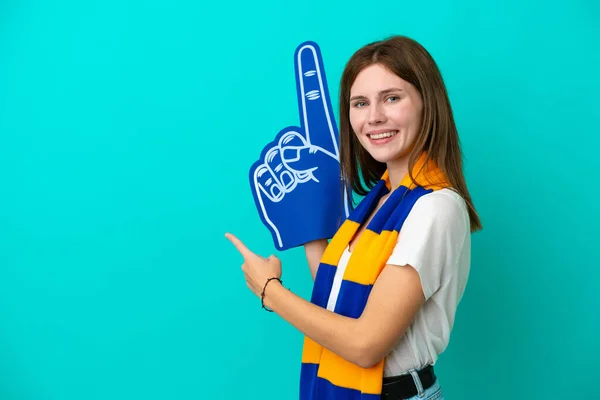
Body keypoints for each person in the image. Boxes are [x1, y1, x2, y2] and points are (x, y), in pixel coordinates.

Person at [226, 35, 482, 400]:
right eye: (360, 103)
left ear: (428, 103)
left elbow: (364, 344)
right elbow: (341, 304)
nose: (374, 117)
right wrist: (311, 222)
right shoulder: (379, 200)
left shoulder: (433, 207)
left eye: (392, 98)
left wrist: (270, 291)